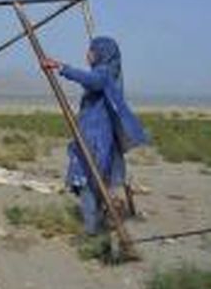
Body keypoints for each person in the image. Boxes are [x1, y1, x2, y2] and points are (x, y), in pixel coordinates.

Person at [41, 36, 147, 235]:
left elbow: (93, 81)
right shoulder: (107, 73)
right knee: (93, 183)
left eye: (91, 51)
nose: (87, 54)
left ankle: (91, 230)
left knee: (89, 181)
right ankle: (95, 224)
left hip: (96, 139)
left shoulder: (104, 74)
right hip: (91, 135)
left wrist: (61, 67)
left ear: (101, 54)